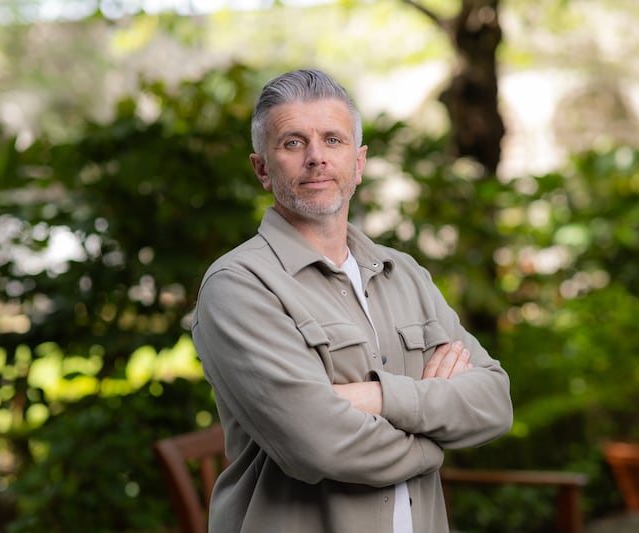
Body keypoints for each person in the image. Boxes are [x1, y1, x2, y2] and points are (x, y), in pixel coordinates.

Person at [191, 68, 513, 533]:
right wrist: (433, 441)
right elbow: (317, 444)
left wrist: (376, 397)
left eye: (333, 140)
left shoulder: (405, 274)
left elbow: (494, 402)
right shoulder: (238, 286)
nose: (317, 158)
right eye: (293, 143)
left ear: (358, 164)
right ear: (262, 168)